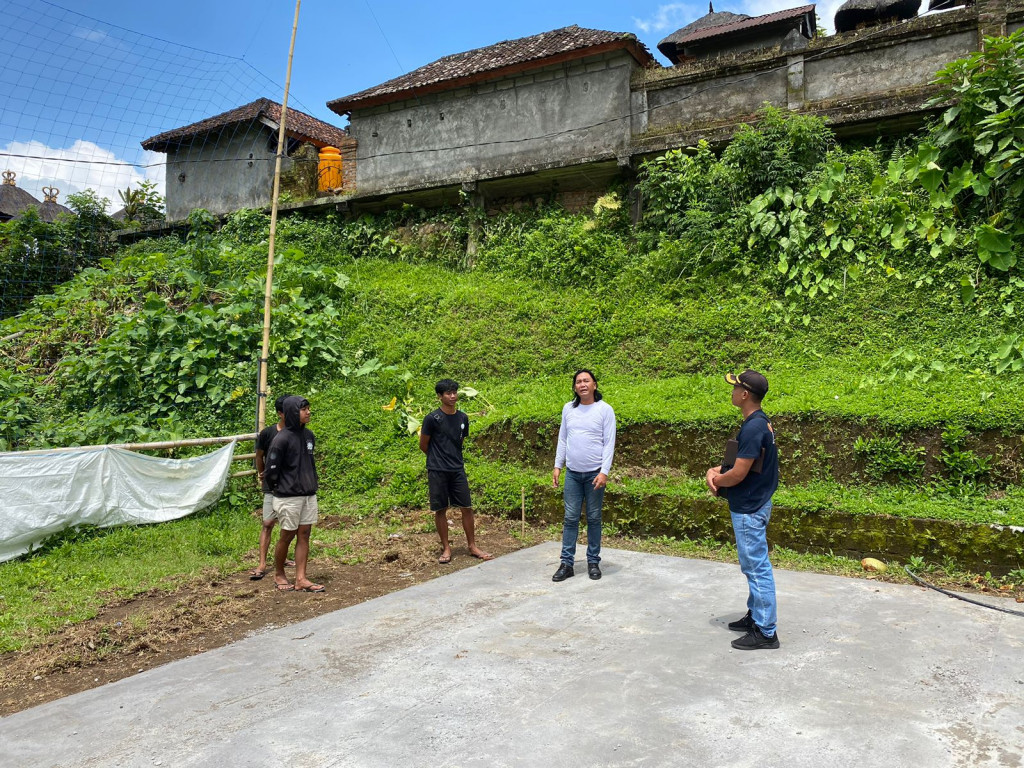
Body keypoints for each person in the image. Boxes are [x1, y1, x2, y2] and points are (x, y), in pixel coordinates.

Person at [705, 369, 780, 650]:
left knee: (756, 567)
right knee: (753, 566)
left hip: (749, 507)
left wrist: (716, 480)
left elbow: (738, 473)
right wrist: (718, 472)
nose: (732, 391)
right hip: (756, 501)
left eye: (735, 388)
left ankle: (766, 631)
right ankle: (756, 616)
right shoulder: (761, 423)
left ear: (745, 394)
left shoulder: (753, 427)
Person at [552, 369, 616, 582]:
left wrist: (604, 472)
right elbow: (563, 438)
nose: (582, 384)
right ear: (574, 387)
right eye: (578, 382)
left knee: (594, 518)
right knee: (570, 518)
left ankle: (593, 561)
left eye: (586, 381)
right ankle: (566, 563)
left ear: (594, 385)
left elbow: (609, 443)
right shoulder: (568, 409)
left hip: (594, 475)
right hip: (572, 474)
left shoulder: (604, 410)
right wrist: (557, 466)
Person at [419, 379, 492, 564]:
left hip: (457, 469)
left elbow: (459, 443)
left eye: (454, 392)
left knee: (466, 508)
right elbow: (423, 445)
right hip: (437, 470)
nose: (452, 396)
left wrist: (451, 459)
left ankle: (472, 546)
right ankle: (446, 548)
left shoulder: (462, 418)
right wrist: (438, 459)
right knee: (441, 509)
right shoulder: (431, 419)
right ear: (440, 396)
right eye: (448, 393)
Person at [265, 395, 324, 593]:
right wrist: (280, 490)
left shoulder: (309, 436)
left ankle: (301, 579)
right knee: (287, 535)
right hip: (288, 496)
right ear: (291, 412)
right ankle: (279, 573)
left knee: (304, 534)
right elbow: (271, 471)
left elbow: (310, 463)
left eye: (308, 408)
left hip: (308, 494)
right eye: (303, 409)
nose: (308, 412)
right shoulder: (281, 439)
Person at [249, 395, 294, 580]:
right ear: (280, 414)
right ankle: (262, 563)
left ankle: (281, 558)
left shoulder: (298, 433)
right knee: (268, 523)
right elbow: (259, 456)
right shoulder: (267, 434)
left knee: (288, 525)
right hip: (272, 485)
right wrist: (262, 473)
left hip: (291, 486)